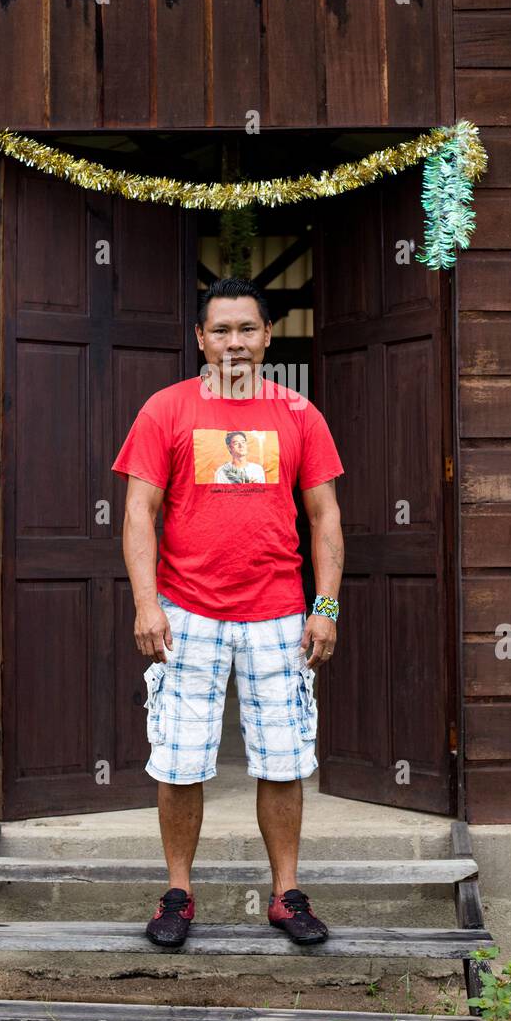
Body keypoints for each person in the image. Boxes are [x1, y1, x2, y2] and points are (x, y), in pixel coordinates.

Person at [112, 276, 344, 949]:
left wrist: (324, 606)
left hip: (277, 615)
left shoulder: (300, 414)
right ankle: (179, 894)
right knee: (180, 761)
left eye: (248, 328)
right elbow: (138, 513)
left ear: (267, 336)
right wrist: (146, 601)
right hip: (187, 614)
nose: (235, 342)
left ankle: (285, 895)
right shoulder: (165, 410)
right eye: (222, 330)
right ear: (200, 338)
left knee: (283, 759)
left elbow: (325, 516)